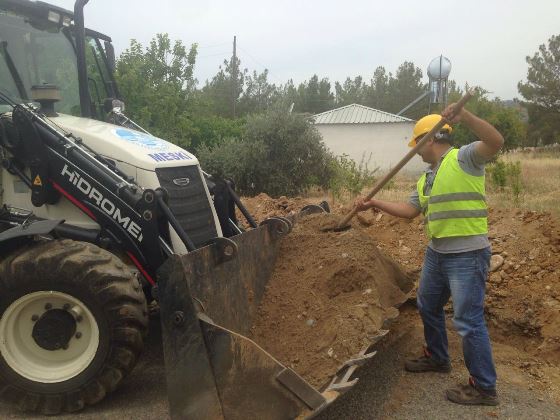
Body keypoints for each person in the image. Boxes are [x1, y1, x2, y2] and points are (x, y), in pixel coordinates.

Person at [355, 103, 504, 406]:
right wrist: (376, 204)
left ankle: (485, 388)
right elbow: (410, 211)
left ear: (429, 140)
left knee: (468, 319)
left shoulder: (464, 158)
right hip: (438, 253)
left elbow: (496, 142)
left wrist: (466, 117)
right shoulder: (427, 178)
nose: (417, 150)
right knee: (427, 303)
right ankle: (438, 357)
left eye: (417, 144)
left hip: (467, 254)